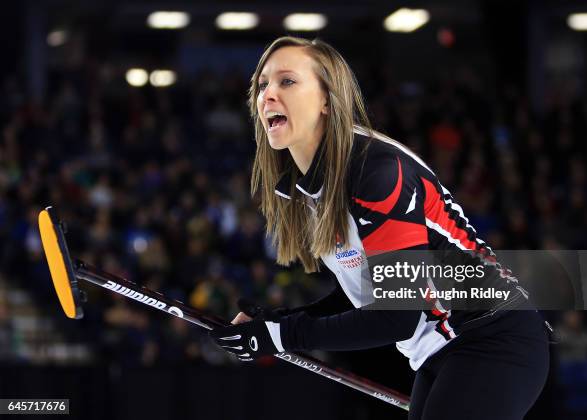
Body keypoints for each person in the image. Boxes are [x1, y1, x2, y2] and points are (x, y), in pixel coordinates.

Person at [210, 36, 551, 420]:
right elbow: (369, 291)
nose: (267, 95)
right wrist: (278, 323)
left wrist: (286, 335)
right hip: (443, 349)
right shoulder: (310, 186)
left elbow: (395, 314)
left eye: (287, 81)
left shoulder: (377, 173)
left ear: (327, 99)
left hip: (492, 338)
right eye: (262, 85)